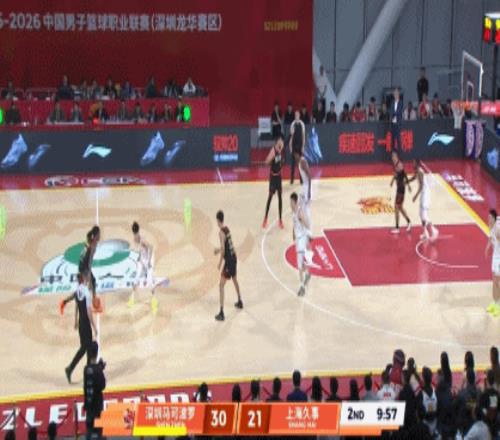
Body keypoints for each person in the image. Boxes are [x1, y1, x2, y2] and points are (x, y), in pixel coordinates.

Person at [65, 270, 97, 384]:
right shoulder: (86, 292)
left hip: (81, 324)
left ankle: (70, 369)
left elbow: (76, 305)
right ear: (84, 279)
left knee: (84, 348)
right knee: (88, 349)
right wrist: (94, 327)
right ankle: (86, 375)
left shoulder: (77, 290)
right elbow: (89, 312)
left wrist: (75, 320)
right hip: (86, 324)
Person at [60, 227, 100, 314]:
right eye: (99, 234)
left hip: (82, 265)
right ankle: (65, 302)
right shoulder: (93, 246)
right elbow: (89, 262)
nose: (100, 236)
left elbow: (86, 256)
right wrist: (88, 274)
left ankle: (94, 301)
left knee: (93, 282)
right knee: (81, 291)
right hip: (84, 268)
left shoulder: (90, 241)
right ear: (96, 235)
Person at [214, 210, 243, 321]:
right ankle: (240, 301)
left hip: (229, 261)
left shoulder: (221, 233)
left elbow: (223, 250)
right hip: (233, 257)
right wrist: (218, 250)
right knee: (235, 279)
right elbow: (226, 246)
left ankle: (221, 313)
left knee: (221, 286)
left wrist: (219, 263)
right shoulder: (227, 229)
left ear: (218, 220)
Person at [127, 222, 158, 313]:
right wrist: (139, 257)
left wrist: (149, 262)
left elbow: (151, 247)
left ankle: (154, 300)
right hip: (142, 259)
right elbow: (141, 250)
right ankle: (131, 299)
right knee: (136, 278)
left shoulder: (142, 240)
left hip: (149, 260)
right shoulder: (135, 239)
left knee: (149, 281)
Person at [410, 159, 438, 241]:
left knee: (424, 215)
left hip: (425, 194)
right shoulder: (417, 171)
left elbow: (421, 186)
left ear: (417, 164)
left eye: (414, 163)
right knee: (420, 214)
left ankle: (434, 230)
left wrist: (415, 196)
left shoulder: (420, 172)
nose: (412, 164)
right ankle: (425, 233)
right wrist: (407, 181)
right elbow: (414, 177)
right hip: (423, 194)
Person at [84, 341, 106, 440]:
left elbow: (91, 372)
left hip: (89, 405)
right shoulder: (98, 370)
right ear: (97, 353)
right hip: (97, 405)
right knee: (98, 430)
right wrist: (100, 368)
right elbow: (102, 385)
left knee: (89, 429)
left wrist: (99, 367)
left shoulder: (86, 369)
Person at [262, 135, 285, 229]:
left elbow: (281, 161)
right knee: (270, 198)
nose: (281, 142)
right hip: (273, 177)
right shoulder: (273, 150)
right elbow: (266, 162)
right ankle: (265, 218)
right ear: (277, 141)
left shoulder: (281, 149)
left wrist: (281, 162)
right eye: (280, 141)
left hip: (279, 177)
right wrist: (272, 159)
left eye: (282, 141)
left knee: (280, 198)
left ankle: (280, 220)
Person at [291, 192, 311, 296]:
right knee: (301, 262)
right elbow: (294, 224)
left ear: (295, 202)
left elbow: (307, 224)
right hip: (298, 240)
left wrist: (303, 222)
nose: (290, 204)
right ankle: (307, 273)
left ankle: (302, 287)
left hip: (302, 240)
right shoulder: (293, 212)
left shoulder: (299, 212)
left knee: (299, 265)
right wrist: (293, 233)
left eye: (291, 202)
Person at [390, 151, 412, 234]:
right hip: (399, 188)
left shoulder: (399, 165)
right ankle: (409, 222)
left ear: (396, 157)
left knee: (396, 207)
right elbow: (396, 175)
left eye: (394, 156)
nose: (393, 158)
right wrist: (392, 181)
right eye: (392, 157)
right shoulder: (396, 165)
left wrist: (408, 185)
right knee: (400, 207)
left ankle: (397, 228)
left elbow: (405, 175)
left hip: (401, 189)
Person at [299, 157, 313, 265]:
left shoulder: (302, 161)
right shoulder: (301, 161)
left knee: (305, 211)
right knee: (304, 211)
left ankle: (308, 232)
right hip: (305, 188)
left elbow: (309, 176)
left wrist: (308, 191)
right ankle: (308, 232)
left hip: (306, 189)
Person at [485, 209, 500, 317]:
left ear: (494, 219)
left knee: (497, 282)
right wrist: (487, 248)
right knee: (494, 281)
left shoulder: (498, 228)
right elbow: (490, 238)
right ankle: (494, 303)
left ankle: (498, 305)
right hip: (495, 257)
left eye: (490, 218)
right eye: (488, 217)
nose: (488, 219)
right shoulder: (491, 226)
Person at [417, 367, 438, 436]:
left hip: (425, 427)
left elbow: (420, 414)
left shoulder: (420, 394)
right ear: (431, 378)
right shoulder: (436, 392)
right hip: (434, 426)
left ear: (423, 378)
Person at [479, 370, 499, 437]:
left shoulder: (483, 395)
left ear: (487, 380)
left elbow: (481, 411)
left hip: (486, 428)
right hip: (495, 427)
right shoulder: (497, 394)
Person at [289, 110, 305, 184]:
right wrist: (290, 147)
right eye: (295, 115)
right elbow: (291, 136)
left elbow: (303, 136)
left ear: (299, 116)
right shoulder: (292, 124)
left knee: (300, 164)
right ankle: (292, 180)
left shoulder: (302, 124)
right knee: (292, 164)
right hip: (294, 146)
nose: (296, 116)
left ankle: (301, 179)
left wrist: (303, 146)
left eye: (297, 115)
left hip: (300, 146)